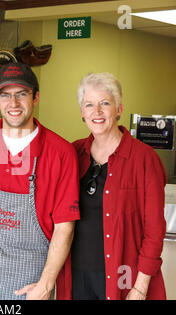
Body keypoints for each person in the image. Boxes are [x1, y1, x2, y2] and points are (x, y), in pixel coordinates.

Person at [0, 62, 80, 300]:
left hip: (30, 281)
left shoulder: (60, 152)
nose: (13, 104)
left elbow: (65, 228)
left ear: (35, 98)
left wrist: (45, 284)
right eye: (5, 95)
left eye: (21, 94)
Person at [71, 72, 167, 300]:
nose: (97, 112)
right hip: (77, 276)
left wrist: (141, 287)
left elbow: (154, 231)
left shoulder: (144, 158)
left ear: (119, 108)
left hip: (124, 278)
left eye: (105, 103)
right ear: (82, 113)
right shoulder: (73, 154)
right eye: (89, 105)